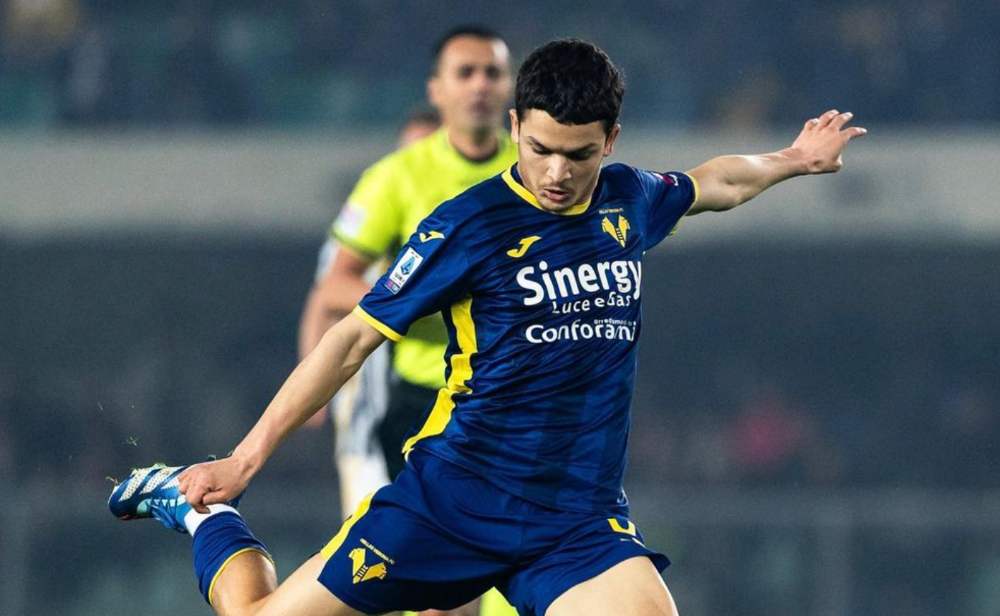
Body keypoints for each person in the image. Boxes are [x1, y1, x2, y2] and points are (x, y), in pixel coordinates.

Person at [109, 39, 866, 616]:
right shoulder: (468, 225)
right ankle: (206, 516)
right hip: (453, 503)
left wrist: (794, 159)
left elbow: (716, 181)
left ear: (610, 139)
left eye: (578, 155)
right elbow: (352, 338)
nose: (557, 173)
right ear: (515, 127)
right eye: (539, 150)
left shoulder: (629, 199)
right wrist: (245, 459)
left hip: (575, 521)